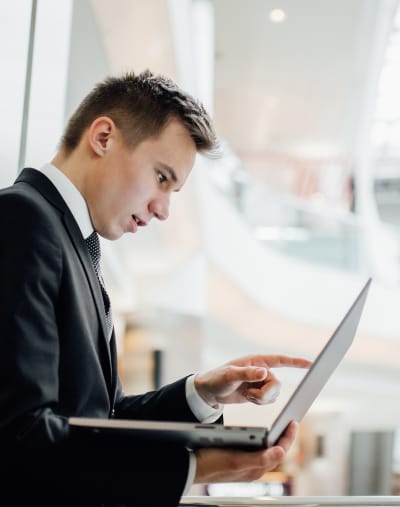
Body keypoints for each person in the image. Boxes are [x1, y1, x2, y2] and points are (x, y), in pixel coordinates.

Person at [0, 70, 311, 507]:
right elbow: (21, 436)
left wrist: (201, 392)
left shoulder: (70, 240)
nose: (163, 209)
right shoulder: (22, 219)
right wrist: (198, 467)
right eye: (162, 178)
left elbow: (101, 420)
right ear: (103, 137)